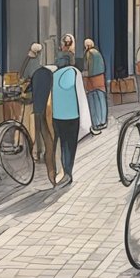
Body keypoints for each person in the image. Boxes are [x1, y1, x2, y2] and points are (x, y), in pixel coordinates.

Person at [49, 58, 91, 188]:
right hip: (72, 116)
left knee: (63, 144)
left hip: (57, 116)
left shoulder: (54, 75)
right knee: (70, 146)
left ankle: (65, 171)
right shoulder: (73, 72)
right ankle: (68, 172)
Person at [25, 44, 57, 184]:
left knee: (37, 131)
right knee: (46, 132)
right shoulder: (49, 74)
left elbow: (30, 85)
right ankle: (47, 155)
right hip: (48, 106)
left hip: (38, 105)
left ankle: (37, 154)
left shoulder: (34, 69)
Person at [82, 38, 108, 133]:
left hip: (91, 80)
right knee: (101, 99)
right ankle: (103, 121)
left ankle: (96, 123)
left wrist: (84, 76)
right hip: (100, 78)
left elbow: (88, 68)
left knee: (93, 101)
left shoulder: (89, 54)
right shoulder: (98, 53)